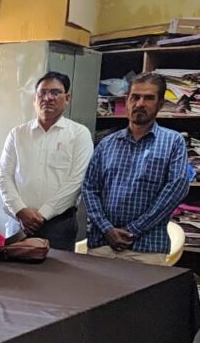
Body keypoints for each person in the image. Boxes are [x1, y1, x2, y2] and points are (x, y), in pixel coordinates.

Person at [81, 72, 189, 264]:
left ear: (160, 104)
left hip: (146, 249)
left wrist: (134, 230)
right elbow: (89, 188)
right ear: (127, 101)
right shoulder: (107, 144)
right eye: (135, 97)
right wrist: (107, 229)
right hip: (102, 245)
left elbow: (176, 189)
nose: (140, 103)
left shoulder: (173, 142)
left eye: (149, 98)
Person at [0, 71, 94, 250]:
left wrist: (42, 215)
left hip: (58, 226)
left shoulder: (79, 134)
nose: (48, 98)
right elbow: (4, 177)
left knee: (56, 268)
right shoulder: (17, 134)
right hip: (18, 222)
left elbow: (76, 181)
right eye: (42, 93)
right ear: (35, 99)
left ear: (67, 98)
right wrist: (20, 210)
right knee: (13, 267)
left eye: (55, 92)